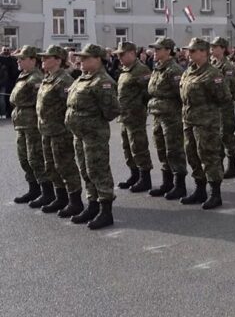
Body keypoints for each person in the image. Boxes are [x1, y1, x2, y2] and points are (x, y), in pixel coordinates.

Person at [64, 44, 120, 229]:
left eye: (86, 58)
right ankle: (93, 205)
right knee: (85, 170)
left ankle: (106, 212)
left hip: (94, 134)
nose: (80, 61)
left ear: (97, 59)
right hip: (79, 134)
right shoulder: (82, 78)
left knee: (98, 170)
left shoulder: (102, 82)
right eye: (80, 57)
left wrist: (91, 121)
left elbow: (111, 111)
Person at [179, 38, 232, 209]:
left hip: (206, 123)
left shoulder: (213, 73)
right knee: (192, 155)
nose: (189, 53)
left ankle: (215, 193)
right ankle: (200, 189)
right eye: (189, 51)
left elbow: (223, 97)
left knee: (209, 156)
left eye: (193, 51)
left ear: (203, 52)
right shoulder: (188, 71)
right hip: (189, 120)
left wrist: (207, 110)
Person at [37, 45, 83, 217]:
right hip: (47, 129)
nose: (42, 60)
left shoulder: (64, 80)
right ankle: (61, 197)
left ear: (58, 60)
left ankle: (75, 201)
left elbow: (71, 105)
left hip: (60, 131)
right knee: (51, 166)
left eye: (46, 57)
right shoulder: (48, 78)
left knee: (65, 165)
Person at [146, 38, 188, 200]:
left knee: (174, 150)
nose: (155, 52)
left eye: (158, 49)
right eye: (155, 49)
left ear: (168, 51)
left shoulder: (174, 70)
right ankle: (167, 182)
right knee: (161, 149)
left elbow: (181, 95)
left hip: (171, 116)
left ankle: (180, 185)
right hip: (158, 115)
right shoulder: (158, 68)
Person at [9, 46, 49, 207]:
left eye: (22, 58)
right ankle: (34, 189)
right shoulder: (23, 75)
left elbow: (41, 102)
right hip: (21, 123)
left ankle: (46, 192)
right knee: (24, 159)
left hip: (31, 124)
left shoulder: (36, 79)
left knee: (36, 159)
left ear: (33, 60)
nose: (18, 60)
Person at [114, 41, 153, 193]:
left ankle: (145, 178)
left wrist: (139, 106)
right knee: (127, 147)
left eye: (122, 55)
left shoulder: (140, 69)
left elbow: (148, 91)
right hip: (125, 115)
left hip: (135, 115)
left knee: (139, 146)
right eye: (118, 55)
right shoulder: (125, 70)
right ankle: (134, 175)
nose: (120, 58)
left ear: (132, 53)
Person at [209, 37, 235, 179]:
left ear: (222, 48)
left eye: (215, 47)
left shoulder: (227, 67)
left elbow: (231, 87)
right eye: (212, 47)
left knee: (227, 136)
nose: (212, 49)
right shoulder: (212, 64)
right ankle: (220, 166)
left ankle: (232, 166)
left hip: (225, 107)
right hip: (214, 108)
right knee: (216, 137)